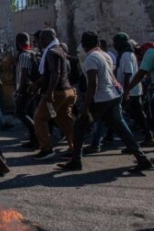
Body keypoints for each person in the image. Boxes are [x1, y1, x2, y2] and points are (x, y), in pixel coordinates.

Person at [58, 31, 153, 172]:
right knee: (122, 130)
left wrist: (85, 107)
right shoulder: (105, 55)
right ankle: (142, 158)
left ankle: (76, 161)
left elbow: (93, 84)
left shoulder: (90, 58)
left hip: (101, 99)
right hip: (113, 97)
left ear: (84, 45)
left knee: (79, 127)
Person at [31, 28, 76, 160]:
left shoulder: (51, 52)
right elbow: (48, 74)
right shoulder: (60, 50)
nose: (40, 41)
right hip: (67, 92)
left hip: (55, 94)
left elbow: (55, 73)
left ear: (50, 38)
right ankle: (74, 147)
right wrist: (36, 85)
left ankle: (46, 149)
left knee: (39, 119)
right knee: (63, 119)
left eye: (42, 39)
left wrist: (49, 92)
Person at [113, 33, 154, 147]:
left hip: (131, 90)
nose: (114, 45)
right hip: (132, 89)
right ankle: (142, 139)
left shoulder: (126, 55)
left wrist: (126, 91)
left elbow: (128, 74)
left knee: (135, 115)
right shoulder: (127, 54)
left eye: (116, 42)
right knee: (136, 115)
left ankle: (141, 139)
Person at [15, 32, 39, 148]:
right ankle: (34, 140)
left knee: (20, 113)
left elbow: (23, 74)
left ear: (18, 43)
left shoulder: (23, 55)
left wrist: (20, 92)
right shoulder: (33, 53)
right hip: (33, 88)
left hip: (26, 89)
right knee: (30, 113)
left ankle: (37, 133)